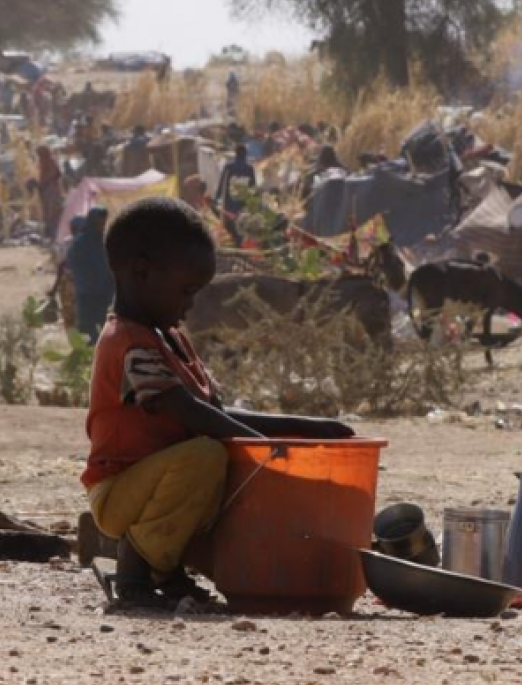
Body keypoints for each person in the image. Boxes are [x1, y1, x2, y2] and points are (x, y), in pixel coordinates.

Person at [80, 197, 353, 608]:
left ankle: (168, 574)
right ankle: (134, 573)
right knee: (209, 454)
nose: (190, 306)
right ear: (141, 273)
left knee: (218, 456)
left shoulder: (170, 340)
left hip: (158, 485)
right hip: (121, 491)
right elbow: (190, 413)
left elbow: (216, 414)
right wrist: (266, 451)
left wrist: (311, 428)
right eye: (186, 292)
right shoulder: (129, 343)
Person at [66, 207, 115, 339]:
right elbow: (72, 263)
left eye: (104, 222)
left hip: (105, 290)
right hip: (87, 291)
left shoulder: (105, 241)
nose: (102, 226)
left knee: (104, 324)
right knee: (88, 325)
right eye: (99, 222)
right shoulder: (80, 243)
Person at [216, 144, 257, 242]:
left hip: (229, 202)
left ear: (235, 153)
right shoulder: (249, 168)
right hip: (242, 202)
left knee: (230, 224)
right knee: (241, 224)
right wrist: (254, 203)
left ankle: (233, 240)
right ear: (245, 154)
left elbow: (222, 183)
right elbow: (253, 187)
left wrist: (217, 197)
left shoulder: (228, 167)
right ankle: (240, 242)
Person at [37, 146, 65, 242]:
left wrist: (44, 182)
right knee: (48, 214)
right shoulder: (43, 162)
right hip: (47, 191)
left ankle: (56, 235)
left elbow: (53, 174)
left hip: (52, 190)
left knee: (54, 213)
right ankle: (52, 235)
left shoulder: (50, 161)